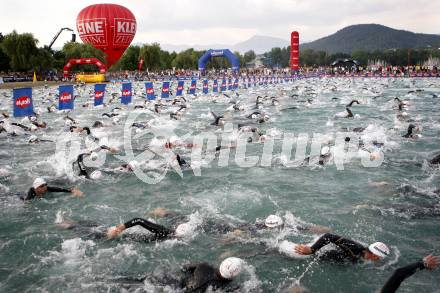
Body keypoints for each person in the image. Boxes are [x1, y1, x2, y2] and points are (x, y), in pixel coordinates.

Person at [294, 233, 390, 263]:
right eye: (379, 257)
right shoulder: (356, 247)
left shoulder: (364, 255)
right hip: (317, 256)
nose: (379, 259)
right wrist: (312, 250)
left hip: (330, 261)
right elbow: (328, 236)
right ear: (375, 255)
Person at [179, 257, 244, 292]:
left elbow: (183, 268)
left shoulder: (203, 266)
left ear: (222, 263)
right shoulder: (226, 288)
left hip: (178, 286)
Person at [106, 217, 192, 242]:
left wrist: (165, 213)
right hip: (132, 237)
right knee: (102, 234)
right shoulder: (165, 232)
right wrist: (120, 228)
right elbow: (139, 220)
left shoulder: (171, 232)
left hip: (138, 237)